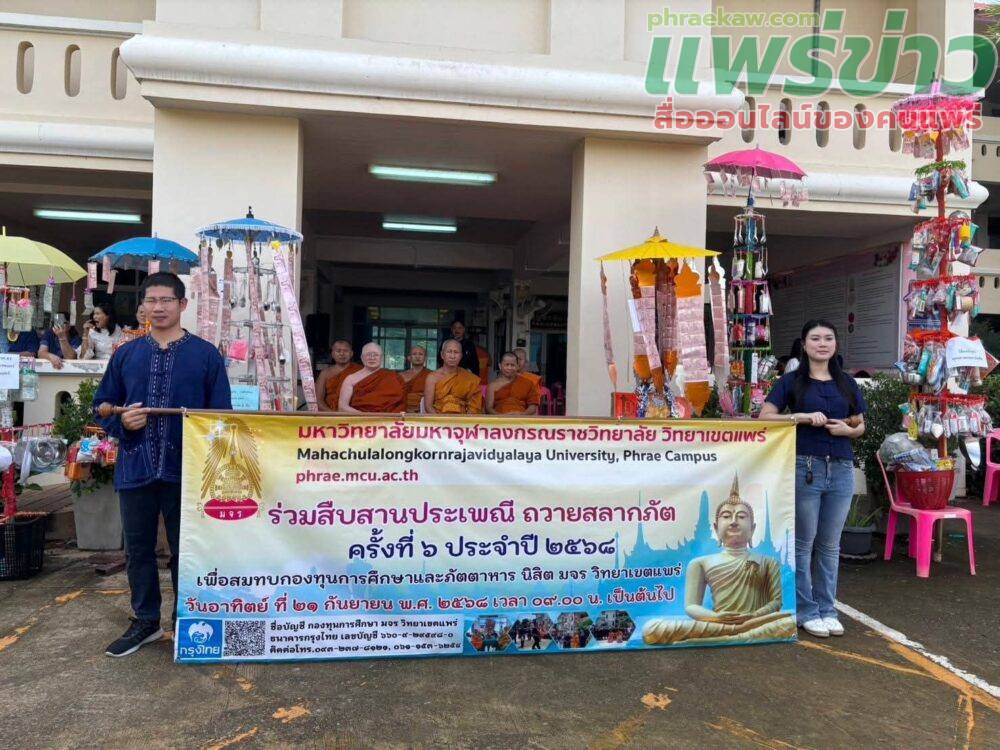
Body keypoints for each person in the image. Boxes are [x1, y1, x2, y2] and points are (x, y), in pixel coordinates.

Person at [93, 272, 231, 657]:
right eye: (151, 300)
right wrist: (122, 421)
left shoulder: (205, 355)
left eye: (166, 300)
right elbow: (102, 405)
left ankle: (186, 621)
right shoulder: (127, 354)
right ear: (143, 306)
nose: (158, 307)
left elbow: (222, 417)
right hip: (135, 465)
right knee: (138, 549)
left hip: (186, 470)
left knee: (187, 550)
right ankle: (146, 621)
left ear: (182, 304)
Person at [758, 319, 866, 639]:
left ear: (835, 344)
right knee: (803, 544)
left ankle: (828, 609)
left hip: (842, 468)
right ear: (804, 345)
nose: (822, 344)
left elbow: (859, 425)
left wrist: (848, 430)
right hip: (805, 466)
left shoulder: (847, 382)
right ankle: (805, 610)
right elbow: (765, 417)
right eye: (815, 338)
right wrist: (801, 417)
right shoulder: (791, 381)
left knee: (830, 545)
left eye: (828, 338)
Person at [643, 477, 796, 645]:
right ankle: (738, 633)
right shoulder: (700, 563)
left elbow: (776, 602)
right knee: (652, 629)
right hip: (717, 624)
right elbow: (691, 606)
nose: (734, 522)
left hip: (756, 621)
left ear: (752, 529)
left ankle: (735, 634)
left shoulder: (768, 562)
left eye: (741, 516)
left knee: (790, 623)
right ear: (716, 528)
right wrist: (715, 618)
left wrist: (753, 616)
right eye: (726, 516)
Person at [338, 342, 406, 413]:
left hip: (389, 418)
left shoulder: (394, 377)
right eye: (368, 354)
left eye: (376, 355)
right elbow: (342, 407)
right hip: (360, 418)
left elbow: (401, 405)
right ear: (362, 357)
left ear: (382, 357)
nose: (372, 358)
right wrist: (365, 416)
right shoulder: (351, 379)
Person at [424, 339, 483, 414]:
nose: (452, 356)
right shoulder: (432, 378)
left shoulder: (470, 378)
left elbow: (474, 408)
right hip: (438, 418)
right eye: (449, 352)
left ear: (461, 356)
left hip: (463, 419)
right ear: (442, 355)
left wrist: (463, 420)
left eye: (456, 352)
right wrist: (441, 420)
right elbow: (428, 407)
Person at [315, 339, 362, 411]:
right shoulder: (325, 373)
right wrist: (332, 414)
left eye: (345, 351)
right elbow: (318, 400)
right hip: (331, 413)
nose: (342, 354)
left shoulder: (360, 371)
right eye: (338, 351)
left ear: (351, 353)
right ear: (332, 354)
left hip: (355, 413)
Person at [400, 345, 430, 413]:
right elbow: (397, 396)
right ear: (409, 358)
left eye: (421, 354)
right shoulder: (401, 376)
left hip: (424, 410)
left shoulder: (431, 375)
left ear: (425, 358)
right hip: (404, 410)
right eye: (414, 354)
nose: (417, 356)